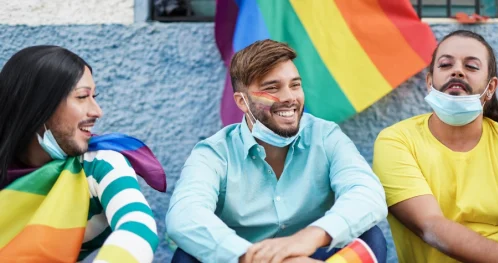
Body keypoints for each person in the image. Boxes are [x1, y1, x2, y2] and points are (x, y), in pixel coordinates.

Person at [166, 39, 388, 263]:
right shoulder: (213, 153)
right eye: (272, 88)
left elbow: (367, 193)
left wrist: (305, 240)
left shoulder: (326, 136)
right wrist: (260, 258)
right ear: (242, 102)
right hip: (244, 259)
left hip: (312, 254)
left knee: (369, 237)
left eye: (295, 85)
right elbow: (184, 215)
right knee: (187, 256)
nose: (289, 98)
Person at [373, 30, 498, 263]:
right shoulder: (397, 141)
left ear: (491, 88)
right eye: (445, 64)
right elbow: (430, 225)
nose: (457, 71)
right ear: (429, 82)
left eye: (471, 66)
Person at [0, 46, 166, 262]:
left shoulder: (99, 164)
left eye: (94, 96)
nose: (97, 111)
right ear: (39, 105)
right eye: (81, 97)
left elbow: (137, 225)